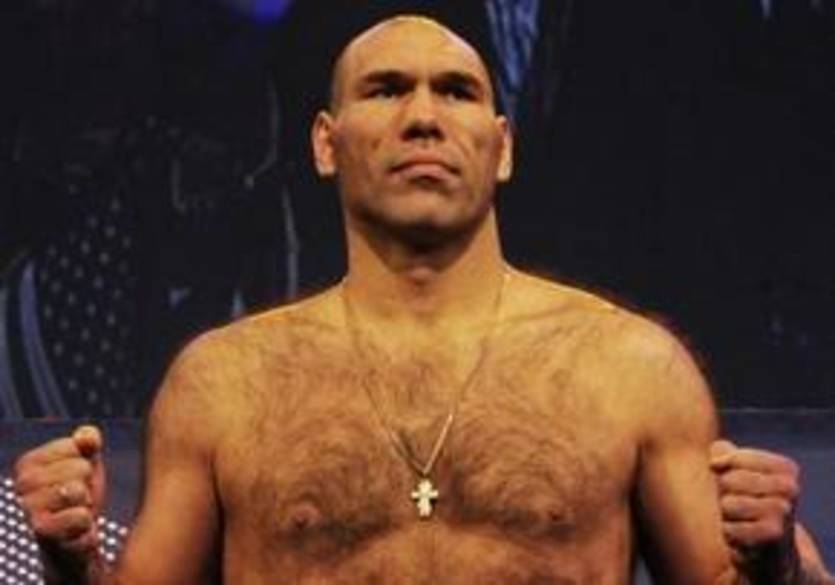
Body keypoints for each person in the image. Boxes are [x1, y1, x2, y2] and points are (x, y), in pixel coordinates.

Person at [12, 14, 834, 585]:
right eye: (384, 89)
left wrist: (778, 567)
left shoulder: (633, 367)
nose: (422, 118)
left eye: (457, 91)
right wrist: (69, 561)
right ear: (326, 144)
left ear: (501, 146)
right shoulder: (221, 381)